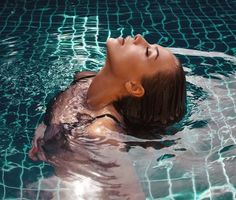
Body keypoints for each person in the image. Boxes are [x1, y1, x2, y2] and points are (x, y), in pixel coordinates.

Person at [28, 34, 186, 198]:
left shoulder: (100, 131)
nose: (140, 37)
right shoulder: (84, 78)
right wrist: (44, 131)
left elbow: (131, 195)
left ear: (134, 87)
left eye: (147, 52)